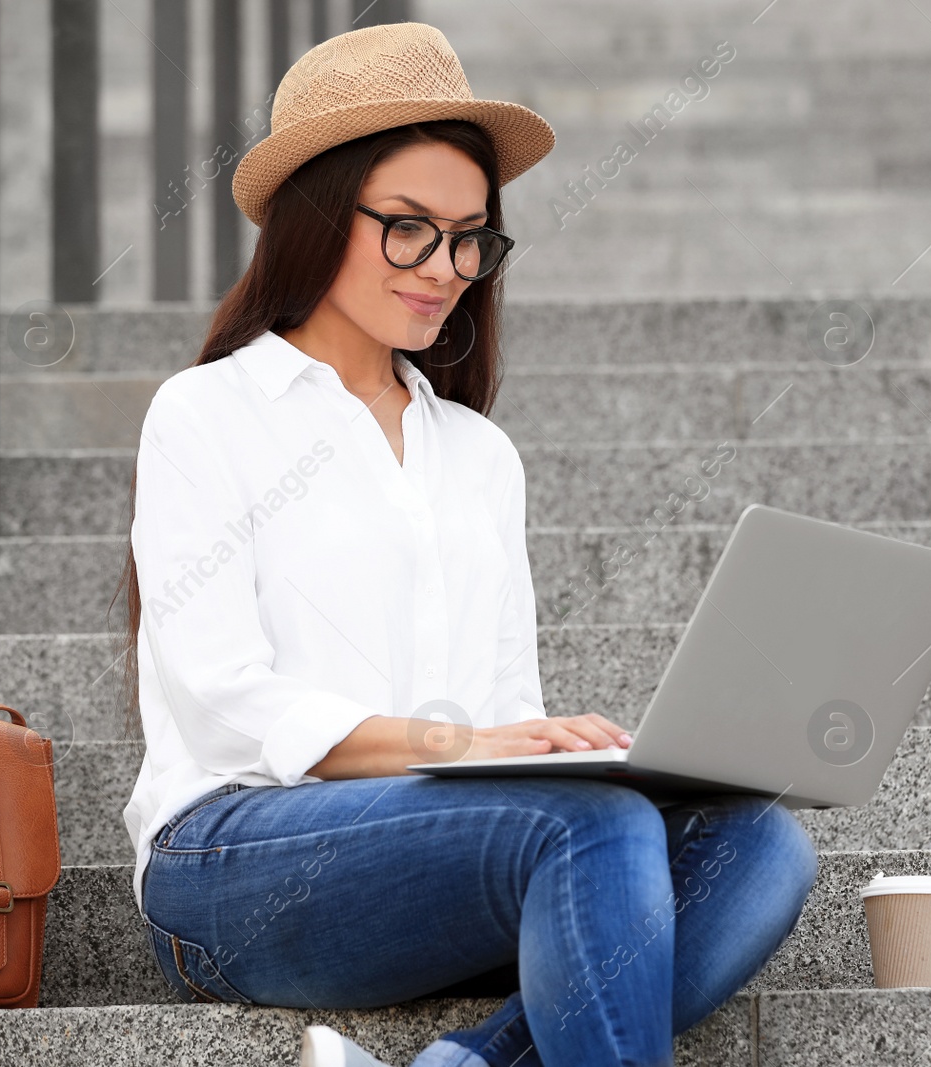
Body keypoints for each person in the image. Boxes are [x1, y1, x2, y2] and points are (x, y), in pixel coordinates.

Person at [118, 23, 818, 1067]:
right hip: (232, 859)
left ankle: (470, 1063)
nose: (445, 268)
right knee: (586, 832)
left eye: (468, 237)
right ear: (316, 212)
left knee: (756, 845)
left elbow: (503, 711)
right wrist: (463, 750)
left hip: (448, 850)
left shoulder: (478, 453)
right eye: (409, 228)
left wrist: (574, 755)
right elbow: (223, 693)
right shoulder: (207, 413)